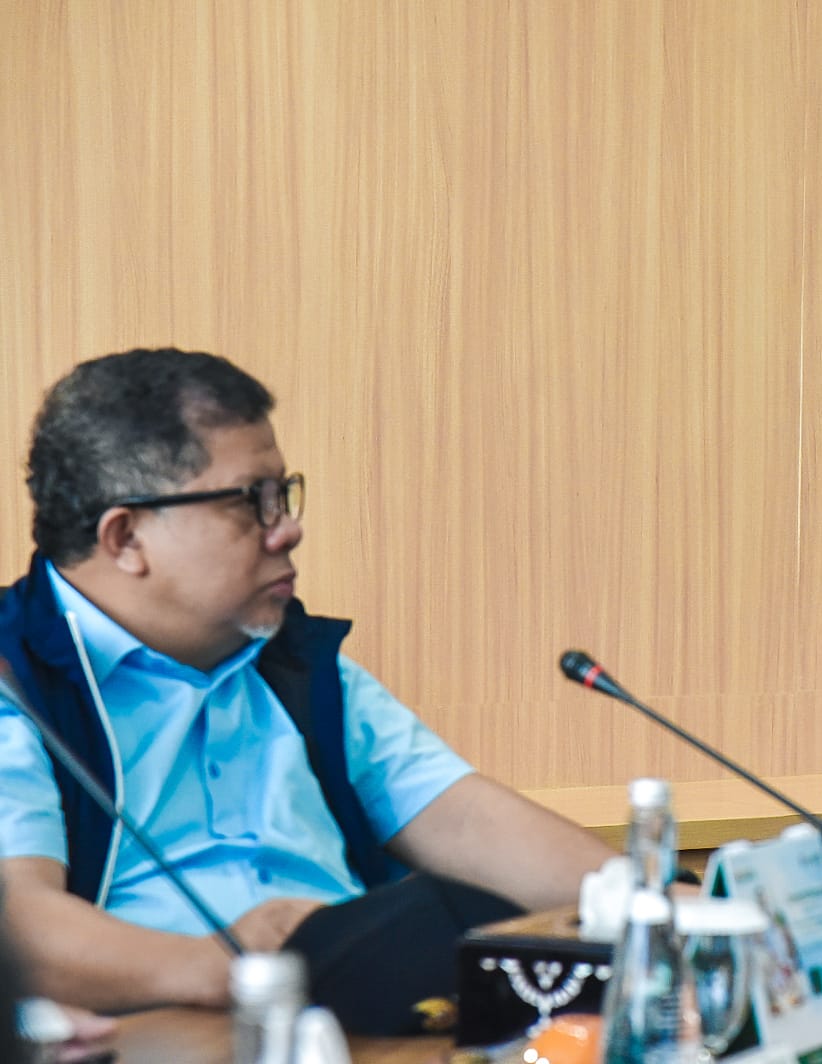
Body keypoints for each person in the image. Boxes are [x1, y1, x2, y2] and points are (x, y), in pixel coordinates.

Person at [0, 348, 615, 1032]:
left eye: (283, 496)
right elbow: (21, 926)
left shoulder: (297, 664)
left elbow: (466, 822)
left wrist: (660, 906)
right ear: (125, 538)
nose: (288, 528)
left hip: (363, 1026)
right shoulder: (14, 679)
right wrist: (240, 968)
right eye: (250, 503)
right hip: (171, 1030)